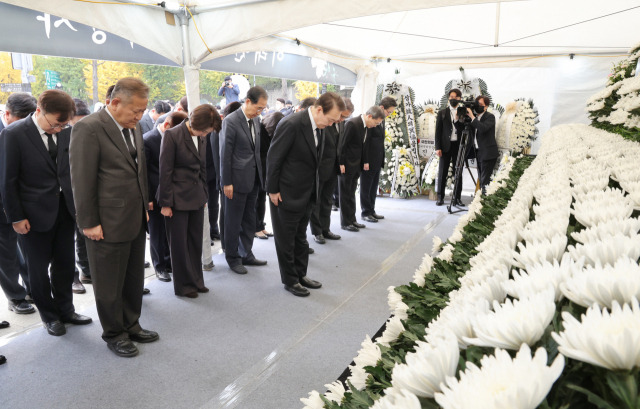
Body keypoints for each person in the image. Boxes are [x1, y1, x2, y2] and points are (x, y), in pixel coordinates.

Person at [70, 77, 158, 357]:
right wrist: (88, 222)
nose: (140, 116)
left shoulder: (133, 126)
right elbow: (81, 180)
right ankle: (114, 333)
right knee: (108, 283)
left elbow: (139, 169)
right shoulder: (89, 128)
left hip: (134, 217)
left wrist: (145, 203)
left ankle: (131, 323)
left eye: (144, 110)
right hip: (105, 222)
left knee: (133, 278)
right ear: (114, 102)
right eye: (136, 110)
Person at [1, 89, 93, 336]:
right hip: (30, 216)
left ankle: (66, 310)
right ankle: (49, 316)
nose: (59, 129)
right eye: (56, 123)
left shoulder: (67, 131)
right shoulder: (14, 134)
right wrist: (16, 218)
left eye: (64, 124)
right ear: (39, 110)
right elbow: (8, 181)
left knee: (65, 264)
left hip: (64, 211)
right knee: (37, 270)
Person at [266, 92, 345, 297]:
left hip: (308, 192)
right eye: (330, 119)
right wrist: (272, 190)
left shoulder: (320, 127)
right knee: (286, 239)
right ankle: (290, 280)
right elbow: (274, 159)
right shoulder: (292, 124)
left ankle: (301, 275)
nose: (331, 124)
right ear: (319, 109)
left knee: (301, 237)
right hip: (286, 193)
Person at [158, 104, 221, 298]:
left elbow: (202, 167)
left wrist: (204, 194)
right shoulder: (172, 135)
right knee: (179, 245)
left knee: (195, 242)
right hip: (176, 199)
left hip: (196, 197)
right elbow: (165, 172)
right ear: (197, 125)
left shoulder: (201, 136)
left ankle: (196, 280)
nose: (206, 135)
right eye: (206, 131)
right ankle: (184, 286)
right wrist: (166, 203)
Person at [220, 87, 268, 275]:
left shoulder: (256, 120)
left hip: (253, 178)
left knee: (250, 219)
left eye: (263, 108)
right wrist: (227, 182)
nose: (260, 111)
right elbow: (225, 153)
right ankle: (232, 257)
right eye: (258, 107)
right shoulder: (231, 121)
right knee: (233, 221)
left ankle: (246, 252)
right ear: (247, 101)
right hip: (236, 180)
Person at [0, 92, 37, 315]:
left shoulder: (26, 130)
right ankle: (15, 296)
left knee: (20, 250)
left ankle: (30, 289)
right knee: (6, 253)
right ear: (7, 114)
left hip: (20, 202)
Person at [144, 111, 188, 283]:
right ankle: (159, 266)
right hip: (154, 194)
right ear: (168, 125)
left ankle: (169, 262)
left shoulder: (174, 138)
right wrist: (148, 198)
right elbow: (145, 173)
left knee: (169, 230)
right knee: (156, 232)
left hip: (171, 193)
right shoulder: (149, 140)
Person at [310, 98, 354, 244]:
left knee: (327, 200)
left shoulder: (341, 124)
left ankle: (325, 228)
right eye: (341, 116)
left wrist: (340, 163)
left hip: (333, 168)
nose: (341, 120)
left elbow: (339, 146)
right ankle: (317, 232)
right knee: (316, 201)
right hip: (320, 167)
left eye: (345, 117)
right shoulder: (324, 122)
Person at [338, 106, 385, 232]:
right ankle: (345, 222)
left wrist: (365, 161)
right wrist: (341, 163)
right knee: (345, 194)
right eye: (375, 123)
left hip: (356, 165)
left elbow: (364, 145)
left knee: (351, 193)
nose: (375, 126)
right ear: (369, 116)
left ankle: (352, 220)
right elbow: (343, 144)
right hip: (347, 165)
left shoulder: (366, 126)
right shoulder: (353, 124)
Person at [210, 101, 242, 252]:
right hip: (221, 178)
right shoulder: (220, 130)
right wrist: (222, 182)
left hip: (223, 178)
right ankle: (225, 244)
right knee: (225, 214)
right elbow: (218, 159)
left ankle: (227, 243)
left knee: (224, 212)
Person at [360, 96, 397, 223]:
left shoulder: (382, 120)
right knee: (366, 187)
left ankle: (371, 210)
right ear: (382, 108)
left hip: (377, 159)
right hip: (369, 160)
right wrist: (365, 160)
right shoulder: (372, 119)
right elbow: (366, 142)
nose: (389, 114)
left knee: (373, 186)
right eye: (389, 112)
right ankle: (365, 212)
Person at [70, 98, 93, 295]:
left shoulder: (89, 130)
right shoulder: (61, 132)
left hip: (85, 192)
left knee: (84, 234)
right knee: (71, 239)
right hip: (65, 194)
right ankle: (77, 275)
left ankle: (87, 270)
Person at [255, 112, 283, 240]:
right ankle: (256, 227)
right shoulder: (261, 131)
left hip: (266, 168)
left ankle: (261, 226)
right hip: (260, 168)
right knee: (257, 199)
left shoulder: (267, 131)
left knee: (262, 199)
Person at [434, 88, 464, 206]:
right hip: (445, 146)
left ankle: (457, 198)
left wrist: (459, 119)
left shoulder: (462, 112)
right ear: (448, 98)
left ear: (460, 99)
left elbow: (464, 129)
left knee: (459, 172)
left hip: (459, 146)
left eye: (456, 97)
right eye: (451, 97)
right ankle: (440, 197)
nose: (453, 99)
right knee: (442, 172)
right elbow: (438, 132)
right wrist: (437, 147)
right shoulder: (442, 112)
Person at [468, 95, 498, 195]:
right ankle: (482, 200)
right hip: (479, 152)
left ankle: (483, 201)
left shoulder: (490, 117)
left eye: (480, 104)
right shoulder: (475, 118)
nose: (478, 106)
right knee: (481, 179)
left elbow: (483, 128)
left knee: (485, 180)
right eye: (476, 104)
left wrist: (472, 117)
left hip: (488, 153)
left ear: (486, 107)